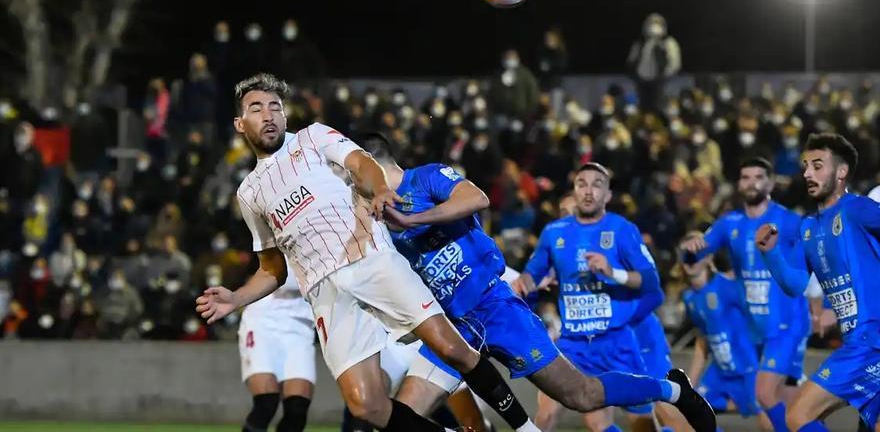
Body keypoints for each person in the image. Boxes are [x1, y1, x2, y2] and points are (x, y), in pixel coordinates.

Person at [195, 73, 539, 432]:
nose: (268, 115)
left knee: (451, 349)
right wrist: (236, 298)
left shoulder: (313, 137)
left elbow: (362, 163)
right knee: (366, 407)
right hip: (325, 293)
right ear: (240, 123)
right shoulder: (249, 193)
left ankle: (526, 429)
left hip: (371, 260)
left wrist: (377, 190)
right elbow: (272, 269)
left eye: (275, 107)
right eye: (256, 109)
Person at [357, 134, 714, 432]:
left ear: (369, 163)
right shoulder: (376, 213)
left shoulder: (426, 178)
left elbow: (476, 198)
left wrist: (413, 218)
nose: (350, 181)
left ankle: (673, 390)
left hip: (494, 306)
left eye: (352, 171)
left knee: (581, 395)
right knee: (399, 420)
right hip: (451, 325)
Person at [510, 162, 716, 432]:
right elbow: (532, 272)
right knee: (562, 415)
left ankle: (677, 395)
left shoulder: (621, 230)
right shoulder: (555, 234)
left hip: (624, 339)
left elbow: (654, 287)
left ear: (608, 195)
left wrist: (613, 276)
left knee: (655, 420)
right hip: (574, 343)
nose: (587, 192)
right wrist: (527, 282)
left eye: (596, 185)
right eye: (581, 185)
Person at [756, 133, 880, 432]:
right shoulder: (809, 226)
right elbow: (795, 284)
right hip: (858, 339)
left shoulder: (856, 209)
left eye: (817, 165)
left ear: (841, 172)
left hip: (870, 339)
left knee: (799, 415)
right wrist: (772, 254)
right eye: (805, 166)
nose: (807, 173)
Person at [681, 158, 814, 432]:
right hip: (755, 329)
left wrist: (819, 302)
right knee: (784, 408)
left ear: (770, 182)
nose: (751, 182)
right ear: (738, 183)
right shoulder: (729, 223)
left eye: (757, 176)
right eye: (745, 177)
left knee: (764, 394)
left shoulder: (788, 221)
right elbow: (695, 255)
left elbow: (813, 260)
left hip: (787, 324)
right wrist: (692, 247)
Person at [680, 233, 766, 430]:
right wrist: (689, 384)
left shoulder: (727, 287)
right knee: (686, 412)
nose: (690, 259)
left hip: (748, 370)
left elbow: (760, 316)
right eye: (686, 254)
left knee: (770, 422)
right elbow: (703, 340)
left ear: (709, 257)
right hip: (719, 374)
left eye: (697, 253)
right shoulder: (689, 298)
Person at [238, 261, 315, 432]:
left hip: (300, 318)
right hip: (263, 314)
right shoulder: (271, 235)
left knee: (297, 409)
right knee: (267, 401)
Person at [626, 13, 681, 114]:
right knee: (643, 107)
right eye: (651, 23)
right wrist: (634, 74)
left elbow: (675, 62)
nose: (653, 27)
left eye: (657, 24)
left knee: (658, 107)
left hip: (659, 80)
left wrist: (665, 75)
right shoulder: (641, 43)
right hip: (641, 80)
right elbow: (632, 59)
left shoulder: (668, 42)